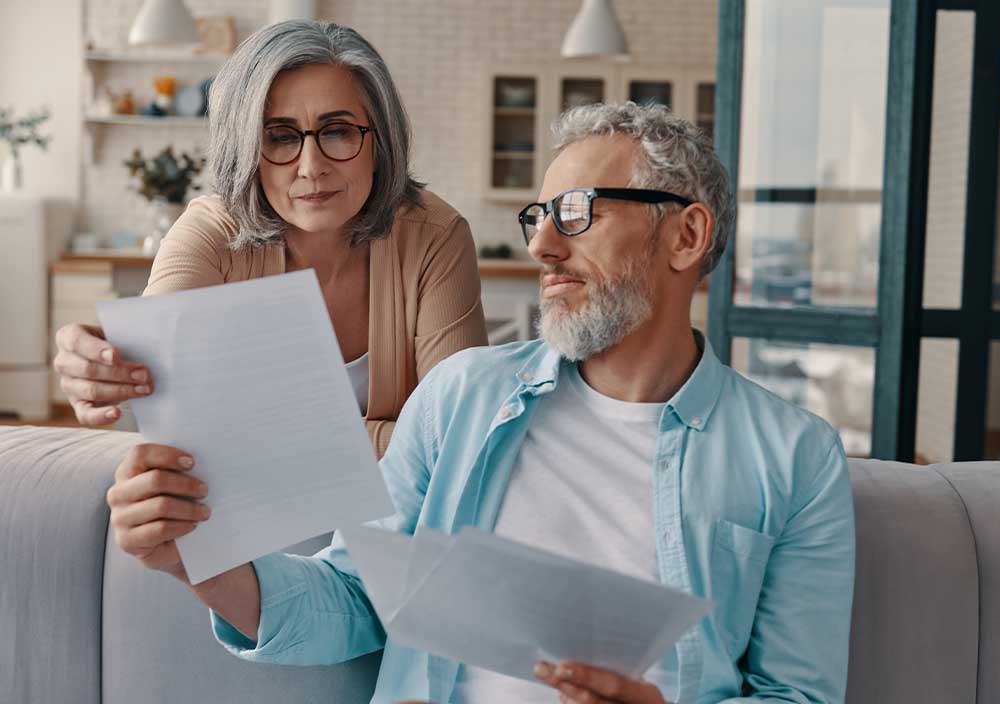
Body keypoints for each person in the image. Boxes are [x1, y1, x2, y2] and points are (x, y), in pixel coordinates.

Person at [106, 102, 856, 703]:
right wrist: (193, 559)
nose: (542, 248)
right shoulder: (461, 397)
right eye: (539, 217)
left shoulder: (796, 456)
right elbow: (352, 598)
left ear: (687, 235)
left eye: (579, 211)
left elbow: (799, 695)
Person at [52, 21, 487, 457]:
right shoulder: (209, 233)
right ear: (244, 150)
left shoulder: (436, 236)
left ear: (380, 142)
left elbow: (452, 438)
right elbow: (159, 394)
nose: (311, 166)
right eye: (279, 137)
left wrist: (270, 438)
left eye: (337, 131)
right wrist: (102, 365)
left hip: (394, 519)